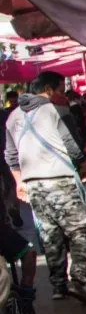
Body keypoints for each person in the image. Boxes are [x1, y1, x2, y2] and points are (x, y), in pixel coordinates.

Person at [5, 72, 86, 304]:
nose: (63, 95)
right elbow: (71, 144)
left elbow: (11, 156)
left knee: (51, 234)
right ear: (48, 89)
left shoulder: (13, 116)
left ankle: (58, 286)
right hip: (60, 179)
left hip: (34, 184)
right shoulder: (55, 111)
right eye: (60, 90)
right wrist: (85, 165)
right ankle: (77, 278)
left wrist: (19, 182)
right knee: (80, 230)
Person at [0, 90, 20, 226]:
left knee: (8, 186)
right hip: (6, 153)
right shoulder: (7, 115)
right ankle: (13, 207)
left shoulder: (7, 113)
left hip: (6, 153)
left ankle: (5, 213)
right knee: (12, 183)